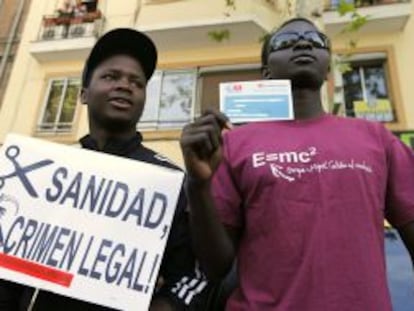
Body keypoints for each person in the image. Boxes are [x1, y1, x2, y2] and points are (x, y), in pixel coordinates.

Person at [180, 17, 414, 311]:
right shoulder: (231, 144)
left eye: (315, 41)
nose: (303, 43)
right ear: (266, 70)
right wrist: (198, 184)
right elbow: (215, 266)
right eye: (286, 43)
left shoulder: (378, 139)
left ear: (327, 65)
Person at [0, 28, 208, 311]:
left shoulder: (169, 182)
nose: (125, 85)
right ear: (83, 94)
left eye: (137, 82)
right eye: (111, 76)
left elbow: (190, 276)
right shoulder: (40, 172)